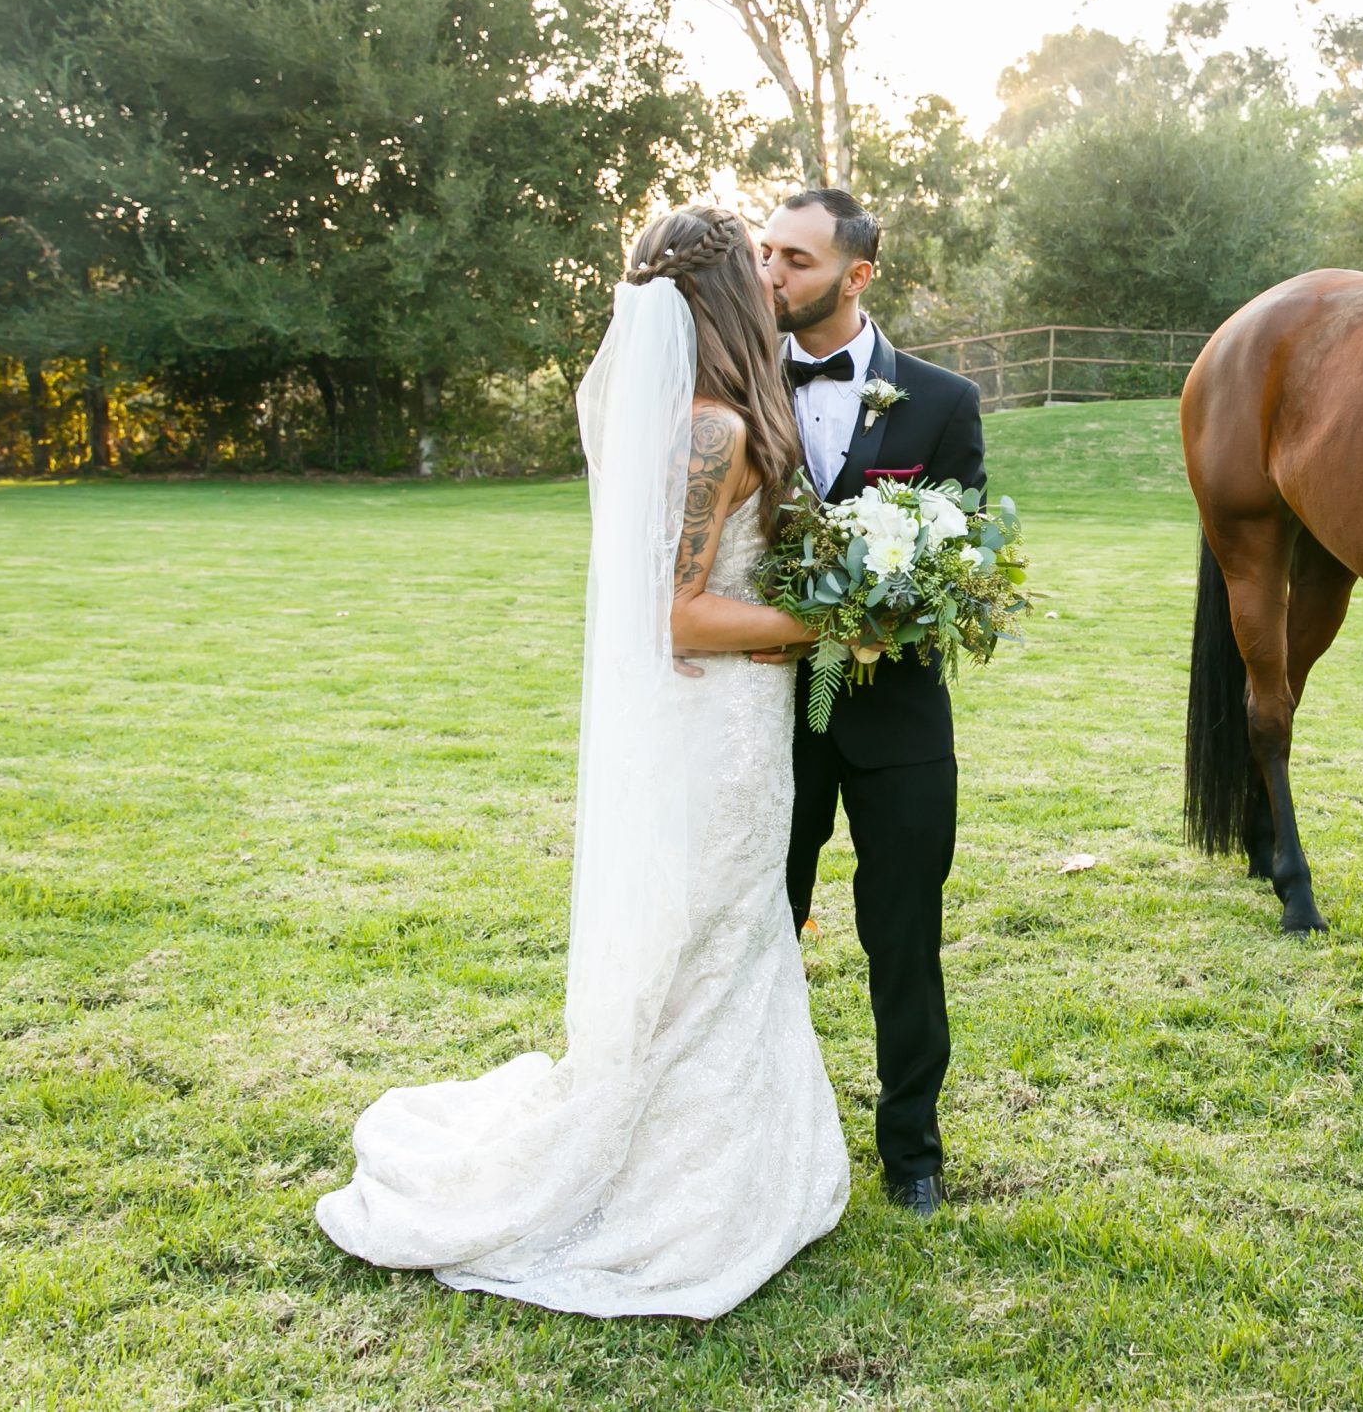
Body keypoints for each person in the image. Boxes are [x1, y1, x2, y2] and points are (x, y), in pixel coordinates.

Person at [315, 205, 849, 1318]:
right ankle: (674, 1183)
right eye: (751, 260)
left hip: (742, 728)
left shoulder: (715, 412)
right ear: (718, 295)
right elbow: (677, 614)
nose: (767, 274)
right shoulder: (707, 429)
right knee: (705, 939)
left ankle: (732, 1162)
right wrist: (827, 626)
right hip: (720, 727)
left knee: (733, 934)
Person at [756, 188, 984, 1220]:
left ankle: (912, 1155)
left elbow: (964, 558)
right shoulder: (733, 386)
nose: (772, 277)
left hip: (899, 724)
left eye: (795, 261)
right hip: (759, 720)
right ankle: (755, 1137)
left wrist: (882, 611)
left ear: (857, 275)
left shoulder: (940, 403)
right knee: (759, 930)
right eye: (765, 255)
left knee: (904, 937)